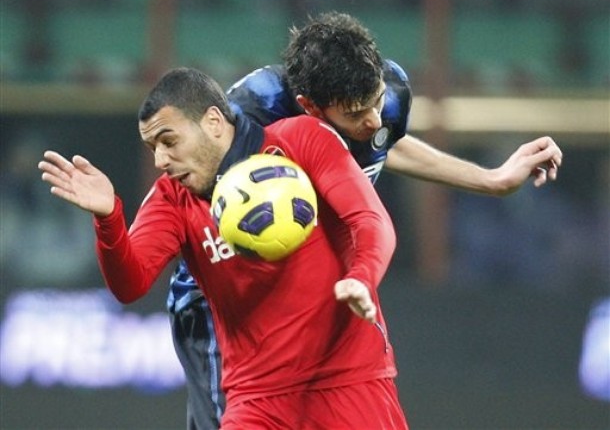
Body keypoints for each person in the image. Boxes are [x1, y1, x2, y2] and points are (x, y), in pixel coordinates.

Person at [167, 11, 564, 429]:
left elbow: (384, 146)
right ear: (309, 108)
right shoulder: (250, 114)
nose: (373, 119)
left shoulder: (388, 94)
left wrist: (492, 180)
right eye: (356, 113)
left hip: (314, 305)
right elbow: (188, 193)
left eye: (373, 102)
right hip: (228, 310)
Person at [39, 67, 410, 429]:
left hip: (349, 381)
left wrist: (362, 276)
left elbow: (371, 220)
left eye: (169, 141)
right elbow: (129, 284)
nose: (160, 160)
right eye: (153, 147)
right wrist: (109, 219)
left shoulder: (301, 139)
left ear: (214, 122)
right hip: (256, 401)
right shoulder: (173, 198)